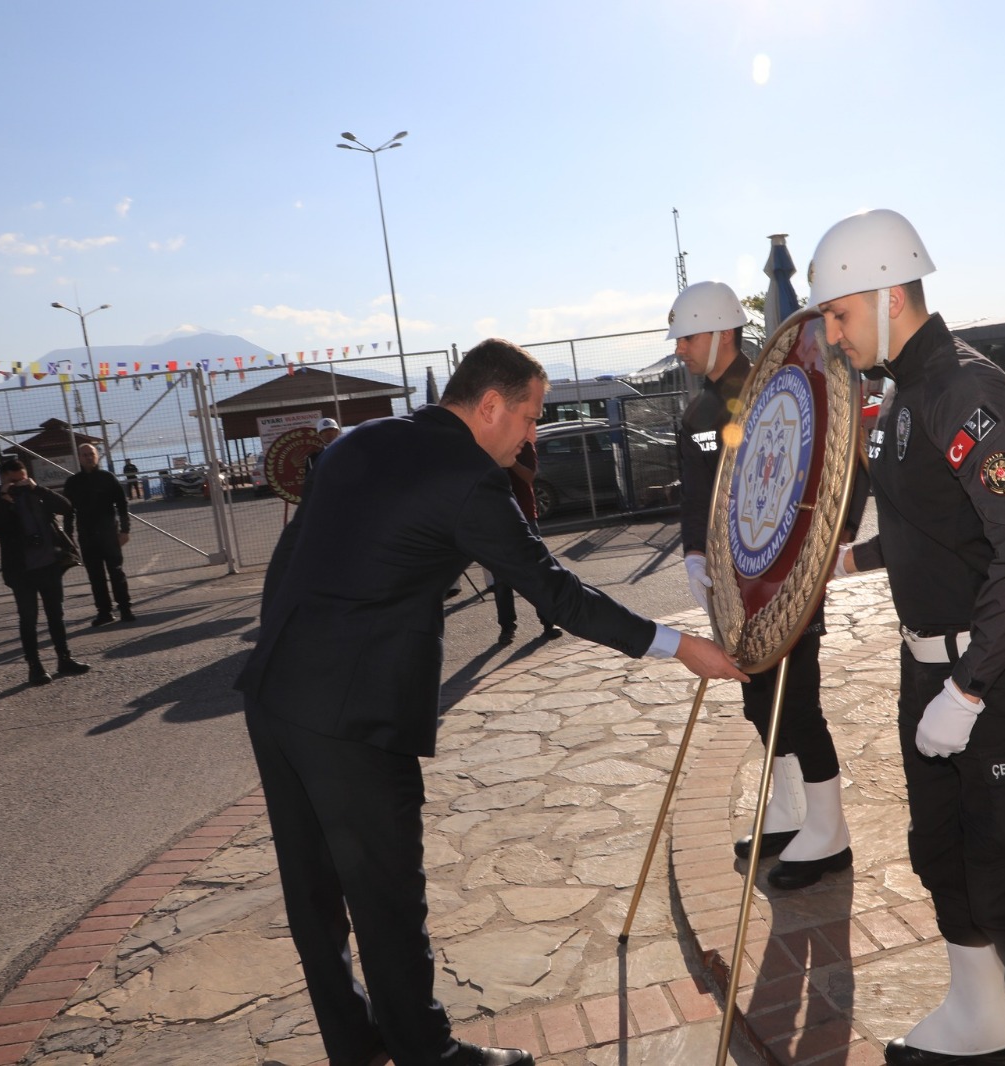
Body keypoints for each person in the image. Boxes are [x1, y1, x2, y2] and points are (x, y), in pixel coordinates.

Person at [233, 338, 748, 1066]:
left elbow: (289, 562)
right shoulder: (471, 481)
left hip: (274, 693)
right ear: (490, 406)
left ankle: (355, 1042)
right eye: (533, 417)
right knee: (387, 895)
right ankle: (426, 1052)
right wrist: (679, 646)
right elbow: (558, 592)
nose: (534, 434)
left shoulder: (360, 440)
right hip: (352, 718)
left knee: (313, 898)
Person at [820, 210, 1005, 1065]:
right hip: (929, 668)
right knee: (942, 857)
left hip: (999, 680)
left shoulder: (962, 390)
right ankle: (978, 1018)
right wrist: (851, 560)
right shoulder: (898, 393)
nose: (832, 332)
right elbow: (936, 521)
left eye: (840, 313)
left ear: (891, 297)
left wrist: (967, 691)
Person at [666, 280, 855, 890]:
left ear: (722, 333)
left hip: (788, 581)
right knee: (757, 701)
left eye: (688, 338)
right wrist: (696, 556)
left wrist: (825, 550)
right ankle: (789, 810)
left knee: (797, 701)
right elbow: (699, 498)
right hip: (736, 589)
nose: (680, 351)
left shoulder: (784, 387)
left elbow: (840, 466)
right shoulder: (697, 415)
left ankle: (831, 832)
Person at [0, 457, 92, 686]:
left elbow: (66, 506)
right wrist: (4, 499)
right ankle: (35, 667)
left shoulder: (37, 494)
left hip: (49, 565)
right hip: (21, 571)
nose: (18, 484)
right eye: (13, 481)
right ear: (3, 480)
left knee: (56, 615)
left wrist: (37, 488)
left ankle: (65, 659)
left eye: (21, 479)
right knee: (28, 619)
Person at [491, 439, 559, 644]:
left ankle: (548, 622)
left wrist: (510, 460)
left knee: (537, 570)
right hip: (497, 517)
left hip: (526, 516)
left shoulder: (522, 444)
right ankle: (507, 628)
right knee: (502, 577)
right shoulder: (488, 444)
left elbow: (530, 476)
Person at [64, 445, 136, 626]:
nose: (89, 457)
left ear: (97, 456)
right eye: (85, 455)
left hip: (109, 534)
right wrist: (68, 537)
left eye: (92, 454)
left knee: (116, 573)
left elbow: (122, 504)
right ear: (79, 458)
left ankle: (125, 609)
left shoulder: (107, 478)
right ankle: (104, 612)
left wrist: (125, 530)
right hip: (87, 537)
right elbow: (68, 512)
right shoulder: (73, 482)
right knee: (96, 577)